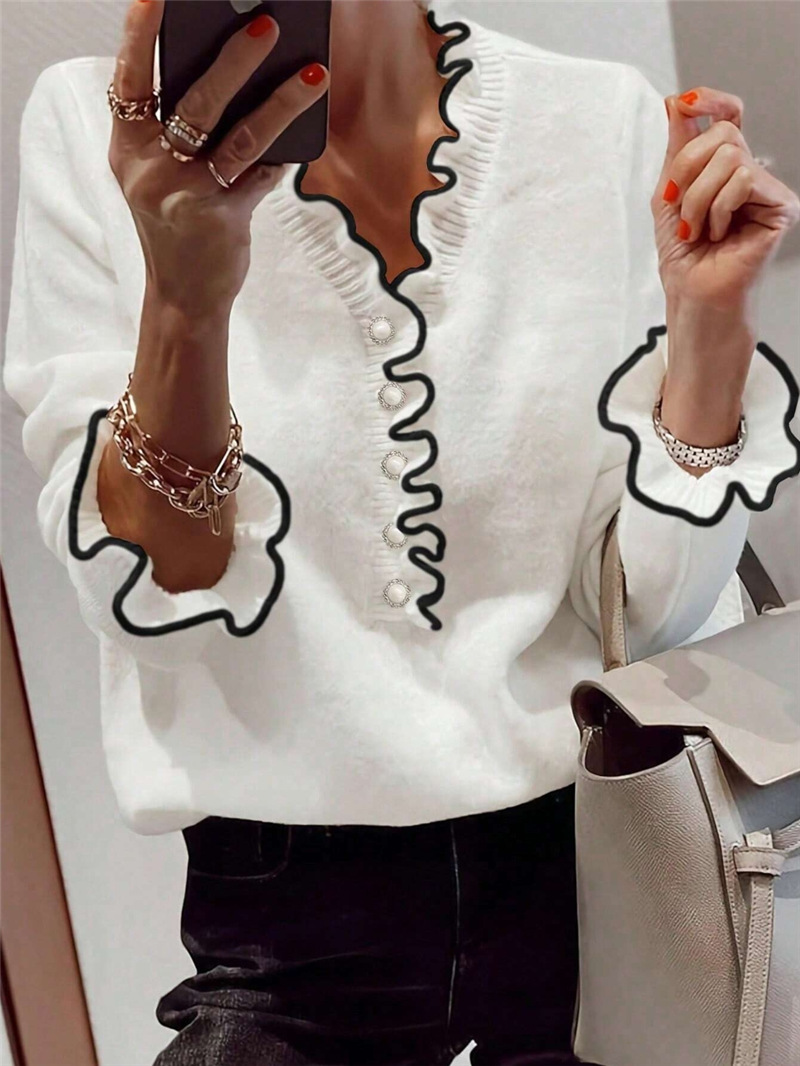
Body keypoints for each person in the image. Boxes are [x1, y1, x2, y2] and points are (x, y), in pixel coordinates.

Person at [5, 0, 799, 1062]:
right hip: (288, 929)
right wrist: (185, 305)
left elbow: (650, 615)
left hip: (600, 880)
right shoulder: (94, 133)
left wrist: (709, 333)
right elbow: (156, 594)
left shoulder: (599, 121)